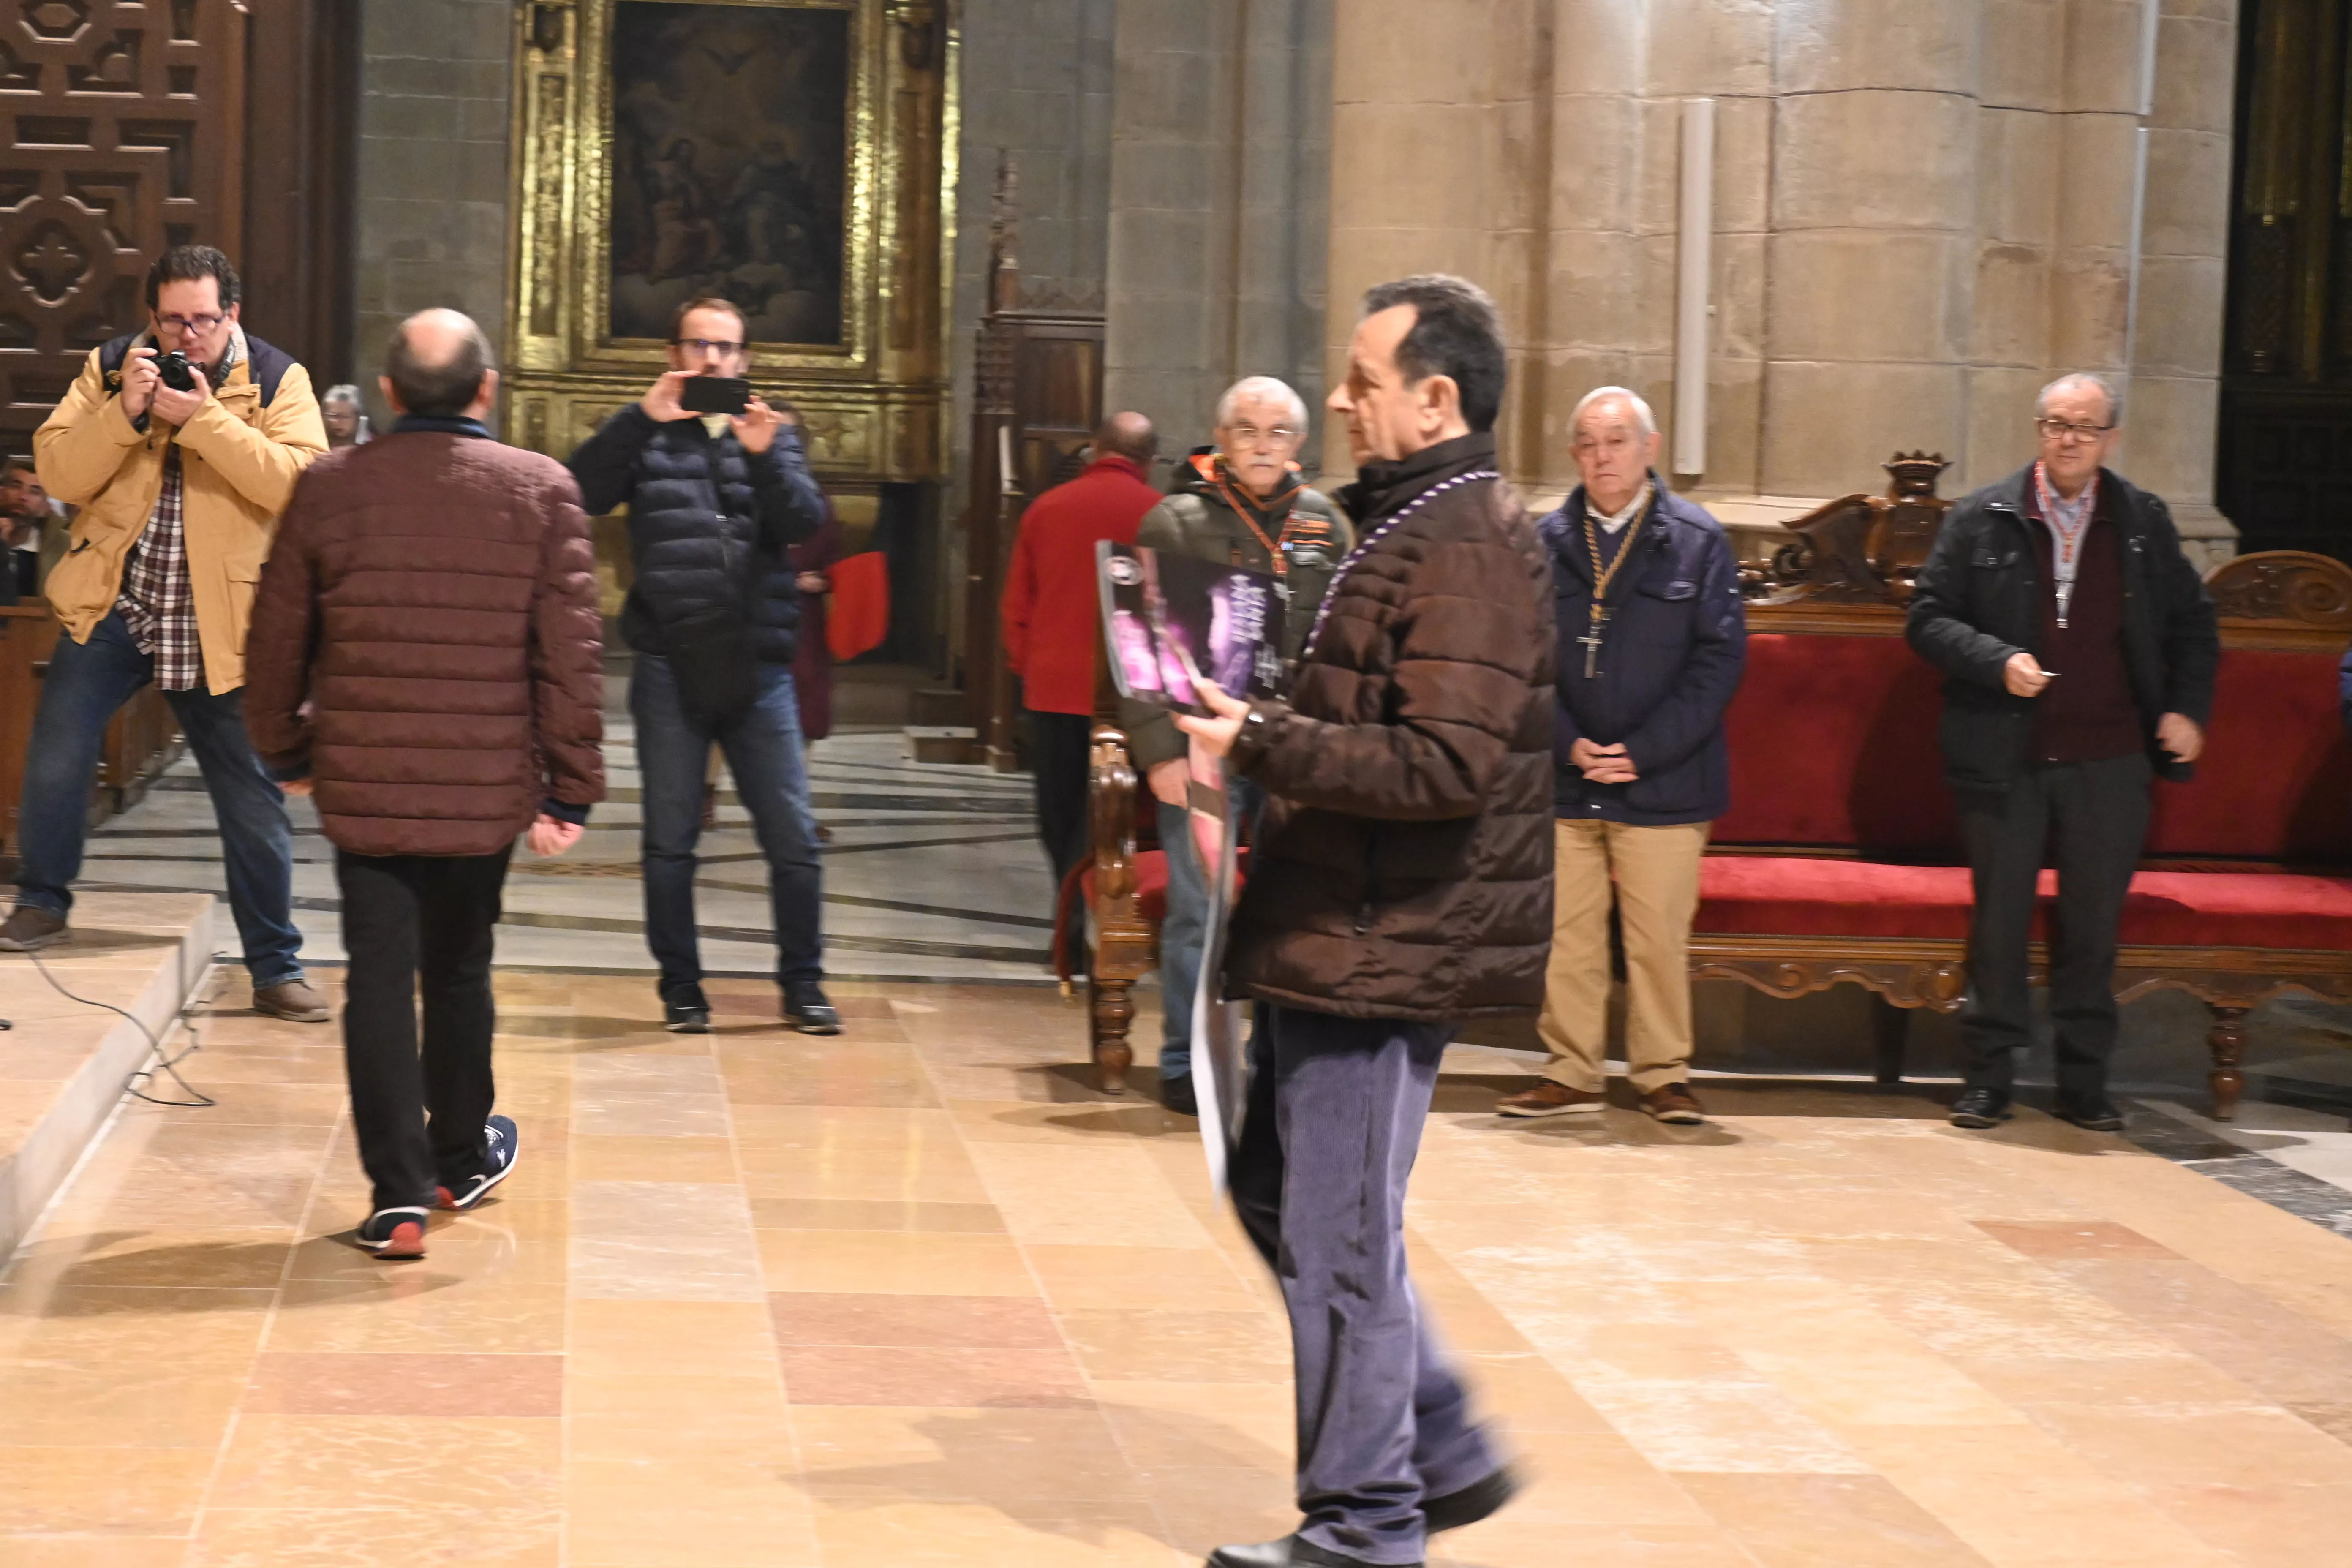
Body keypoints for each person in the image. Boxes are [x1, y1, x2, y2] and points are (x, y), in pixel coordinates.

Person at [1176, 275, 1551, 1568]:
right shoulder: (1409, 522)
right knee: (1279, 1190)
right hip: (1336, 921)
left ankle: (1365, 1526)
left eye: (1361, 381)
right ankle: (1436, 1446)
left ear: (1435, 398)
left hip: (1384, 939)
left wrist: (1265, 741)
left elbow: (1443, 761)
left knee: (1337, 1235)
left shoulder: (1469, 538)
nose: (1338, 401)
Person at [244, 309, 604, 1260]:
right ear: (488, 390)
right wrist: (569, 789)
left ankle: (398, 1197)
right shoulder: (543, 490)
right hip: (483, 789)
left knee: (376, 978)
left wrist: (283, 750)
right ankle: (457, 1155)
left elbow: (277, 636)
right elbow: (570, 657)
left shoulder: (330, 487)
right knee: (458, 968)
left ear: (392, 393)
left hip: (363, 782)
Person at [0, 245, 331, 1024]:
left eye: (204, 321)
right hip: (117, 602)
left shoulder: (279, 379)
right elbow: (60, 473)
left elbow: (303, 485)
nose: (187, 338)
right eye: (173, 321)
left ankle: (275, 963)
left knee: (251, 799)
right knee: (56, 756)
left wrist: (206, 421)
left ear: (233, 317)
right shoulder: (112, 367)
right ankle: (43, 901)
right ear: (152, 317)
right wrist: (125, 416)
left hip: (223, 620)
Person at [1908, 372, 2219, 1132]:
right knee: (2000, 922)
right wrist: (1994, 660)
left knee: (2090, 926)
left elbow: (2193, 627)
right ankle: (1987, 1078)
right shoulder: (1984, 515)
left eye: (2084, 427)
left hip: (2109, 756)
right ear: (2037, 430)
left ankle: (2083, 1080)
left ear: (2109, 438)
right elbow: (1926, 618)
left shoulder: (2140, 520)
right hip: (2004, 755)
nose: (2068, 438)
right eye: (2054, 424)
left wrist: (2185, 709)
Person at [567, 294, 835, 1036]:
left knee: (791, 834)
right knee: (669, 836)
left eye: (725, 348)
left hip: (760, 665)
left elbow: (805, 523)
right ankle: (681, 989)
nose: (712, 360)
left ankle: (804, 985)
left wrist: (762, 456)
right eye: (697, 346)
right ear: (674, 354)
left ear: (745, 360)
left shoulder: (771, 433)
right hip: (669, 660)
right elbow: (577, 492)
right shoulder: (647, 430)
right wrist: (638, 420)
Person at [1497, 387, 1745, 1125]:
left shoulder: (1697, 541)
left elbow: (1718, 664)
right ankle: (1570, 1070)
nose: (1601, 456)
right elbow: (1520, 658)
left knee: (1656, 937)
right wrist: (1564, 739)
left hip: (1664, 778)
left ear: (1650, 447)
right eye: (1587, 443)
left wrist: (1642, 752)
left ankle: (1662, 1073)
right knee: (1566, 935)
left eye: (1616, 441)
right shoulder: (1540, 541)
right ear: (1573, 454)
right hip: (1565, 775)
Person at [1117, 378, 1350, 1115]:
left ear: (1298, 444)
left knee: (1288, 910)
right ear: (1221, 439)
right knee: (1199, 910)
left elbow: (1345, 640)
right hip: (1200, 748)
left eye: (1277, 431)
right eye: (1246, 430)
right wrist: (1157, 752)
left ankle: (1271, 1059)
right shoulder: (1175, 519)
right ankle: (1190, 1060)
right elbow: (1139, 643)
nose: (1261, 443)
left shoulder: (1323, 525)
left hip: (1288, 750)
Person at [999, 411, 1162, 964]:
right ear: (1150, 461)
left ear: (1095, 450)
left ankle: (1068, 921)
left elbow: (1016, 605)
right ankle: (1092, 924)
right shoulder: (1163, 515)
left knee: (1061, 813)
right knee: (1114, 816)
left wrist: (1029, 665)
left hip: (1054, 688)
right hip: (1133, 694)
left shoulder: (1046, 509)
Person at [1, 460, 51, 599]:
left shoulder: (62, 550)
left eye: (35, 491)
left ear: (45, 505)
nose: (23, 497)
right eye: (16, 487)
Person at [320, 383, 372, 448]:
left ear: (357, 417)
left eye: (345, 416)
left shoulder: (371, 448)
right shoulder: (315, 444)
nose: (339, 422)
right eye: (334, 416)